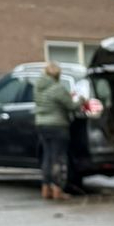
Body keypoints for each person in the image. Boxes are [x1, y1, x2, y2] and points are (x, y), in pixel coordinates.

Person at [32, 62, 77, 200]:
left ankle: (46, 189)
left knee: (47, 157)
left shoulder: (38, 88)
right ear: (57, 75)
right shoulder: (57, 88)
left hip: (42, 125)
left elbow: (49, 102)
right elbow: (71, 106)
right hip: (58, 126)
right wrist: (81, 99)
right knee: (58, 159)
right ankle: (57, 190)